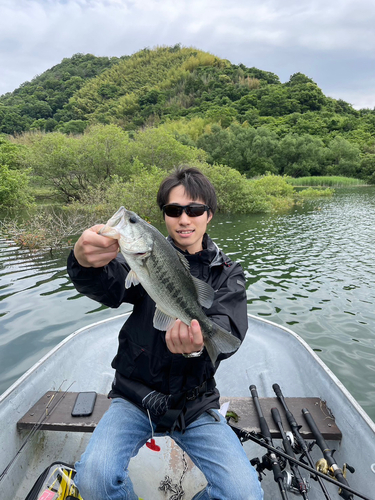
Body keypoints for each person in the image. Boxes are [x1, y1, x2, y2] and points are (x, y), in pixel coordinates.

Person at [67, 166, 263, 500]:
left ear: (208, 215)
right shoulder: (139, 256)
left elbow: (227, 329)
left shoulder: (228, 274)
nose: (184, 219)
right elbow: (106, 285)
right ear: (164, 217)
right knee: (94, 480)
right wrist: (82, 261)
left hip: (195, 403)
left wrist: (196, 349)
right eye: (174, 211)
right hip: (133, 396)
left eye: (194, 210)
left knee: (244, 495)